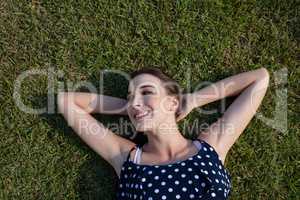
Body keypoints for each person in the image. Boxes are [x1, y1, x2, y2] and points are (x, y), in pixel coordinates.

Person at [57, 67, 270, 199]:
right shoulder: (126, 158)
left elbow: (259, 79)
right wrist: (132, 107)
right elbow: (65, 101)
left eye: (147, 92)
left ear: (172, 101)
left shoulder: (211, 148)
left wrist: (193, 100)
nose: (135, 101)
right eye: (130, 96)